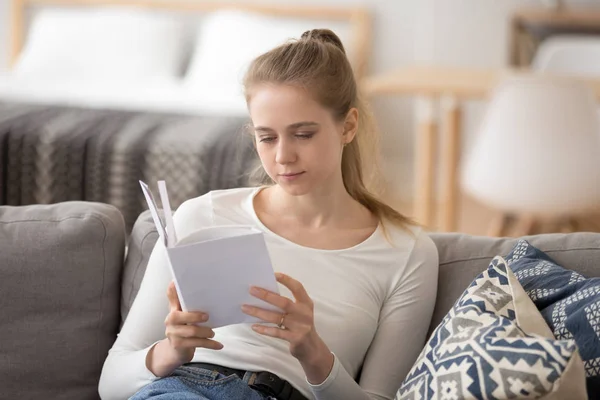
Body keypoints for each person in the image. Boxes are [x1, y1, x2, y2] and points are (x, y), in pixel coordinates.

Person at [98, 29, 439, 400]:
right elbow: (111, 382)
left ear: (349, 125)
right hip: (180, 389)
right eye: (267, 137)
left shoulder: (405, 252)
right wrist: (170, 352)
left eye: (303, 134)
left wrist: (315, 355)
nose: (283, 157)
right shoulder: (203, 215)